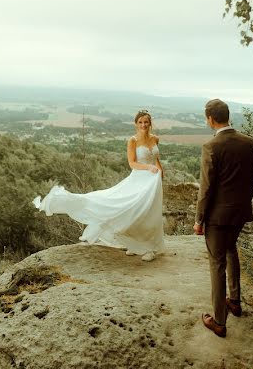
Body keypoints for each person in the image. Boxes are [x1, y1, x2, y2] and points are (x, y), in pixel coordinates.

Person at [33, 110, 164, 261]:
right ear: (136, 124)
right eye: (140, 122)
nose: (143, 125)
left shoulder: (155, 139)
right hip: (138, 179)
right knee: (130, 209)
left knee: (149, 214)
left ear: (150, 123)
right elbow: (132, 163)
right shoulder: (133, 140)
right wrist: (149, 168)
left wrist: (160, 172)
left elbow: (156, 159)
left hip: (153, 181)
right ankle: (135, 245)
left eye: (146, 122)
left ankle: (149, 249)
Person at [194, 98, 253, 337]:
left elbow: (206, 188)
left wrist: (199, 220)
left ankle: (219, 321)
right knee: (231, 250)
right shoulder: (248, 143)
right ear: (227, 115)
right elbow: (252, 180)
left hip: (218, 216)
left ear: (210, 119)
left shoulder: (212, 146)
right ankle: (235, 301)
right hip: (240, 212)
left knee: (216, 263)